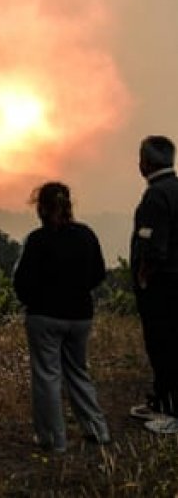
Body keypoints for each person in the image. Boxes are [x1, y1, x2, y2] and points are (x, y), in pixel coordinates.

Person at [13, 182, 111, 452]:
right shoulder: (86, 235)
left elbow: (22, 282)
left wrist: (32, 301)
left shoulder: (37, 240)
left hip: (44, 316)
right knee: (79, 372)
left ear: (41, 208)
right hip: (80, 315)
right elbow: (99, 273)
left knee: (47, 376)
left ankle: (53, 439)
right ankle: (97, 430)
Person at [131, 135, 178, 431]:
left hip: (163, 285)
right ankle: (161, 401)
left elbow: (153, 244)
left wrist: (144, 276)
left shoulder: (155, 195)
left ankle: (171, 411)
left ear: (145, 162)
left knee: (163, 345)